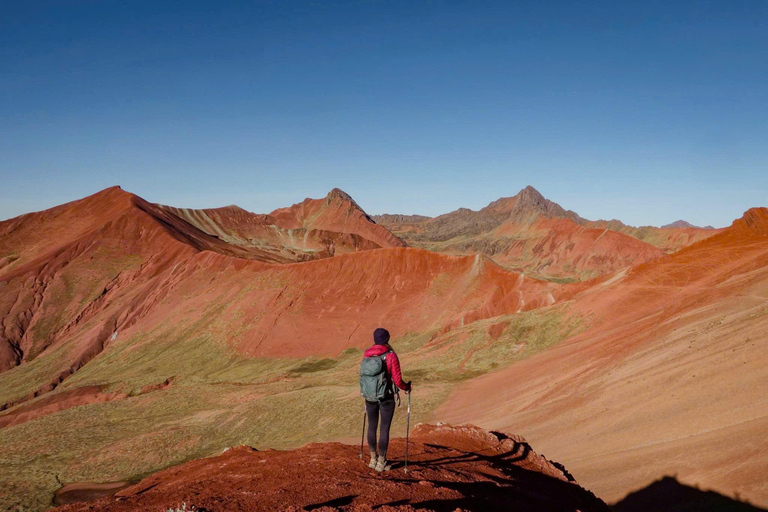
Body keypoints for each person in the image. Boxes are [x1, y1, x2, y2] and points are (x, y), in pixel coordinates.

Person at [361, 327, 411, 472]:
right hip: (386, 397)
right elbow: (397, 380)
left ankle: (372, 459)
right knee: (384, 428)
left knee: (372, 426)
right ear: (387, 339)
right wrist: (406, 387)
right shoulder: (390, 355)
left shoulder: (367, 354)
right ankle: (381, 462)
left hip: (369, 397)